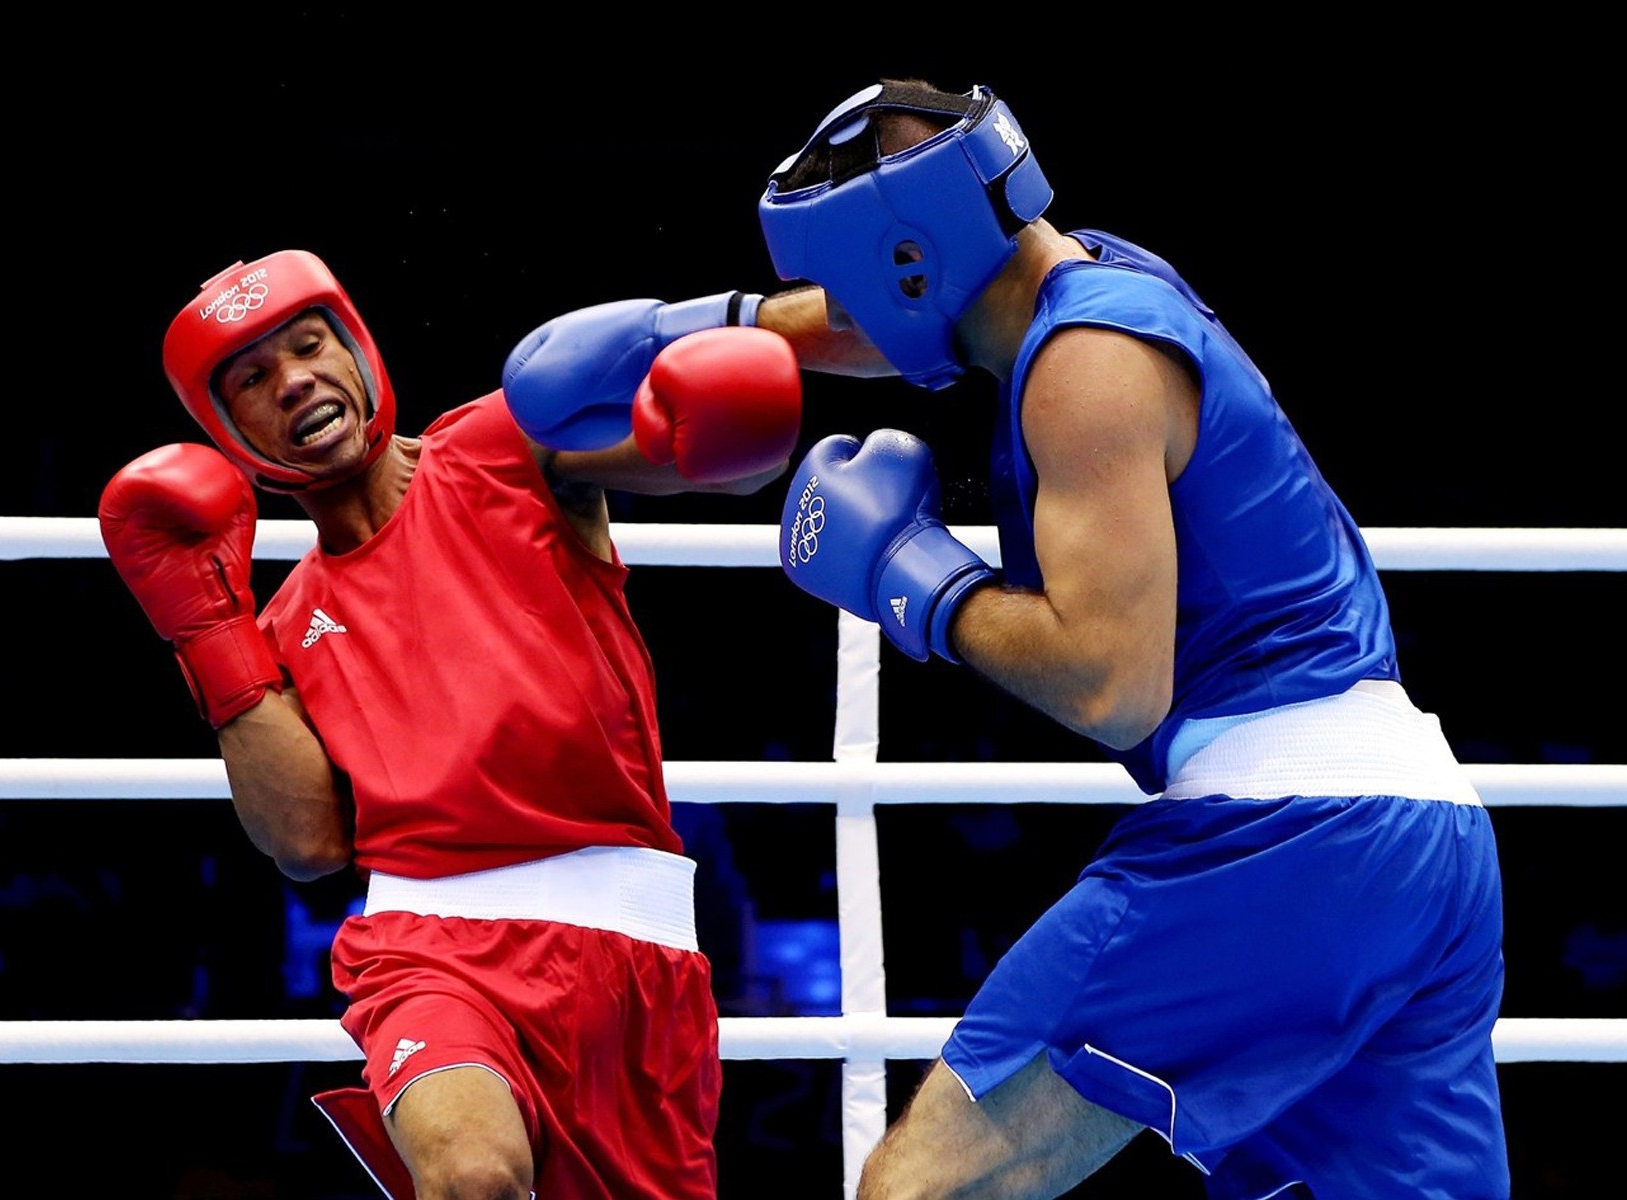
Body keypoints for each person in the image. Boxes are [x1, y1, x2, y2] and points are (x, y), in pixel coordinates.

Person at [503, 81, 1510, 1199]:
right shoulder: (1102, 276)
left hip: (1280, 842)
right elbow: (874, 311)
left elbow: (1110, 685)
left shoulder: (1085, 367)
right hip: (1424, 842)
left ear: (913, 264)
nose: (830, 309)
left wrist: (915, 579)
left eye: (838, 274)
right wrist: (695, 326)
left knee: (922, 1189)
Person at [96, 248, 803, 1200]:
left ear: (358, 351)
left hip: (635, 950)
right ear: (230, 430)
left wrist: (733, 412)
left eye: (310, 347)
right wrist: (207, 631)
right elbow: (304, 843)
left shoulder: (505, 446)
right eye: (254, 381)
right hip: (430, 945)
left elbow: (705, 456)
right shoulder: (274, 628)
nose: (294, 381)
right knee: (474, 1176)